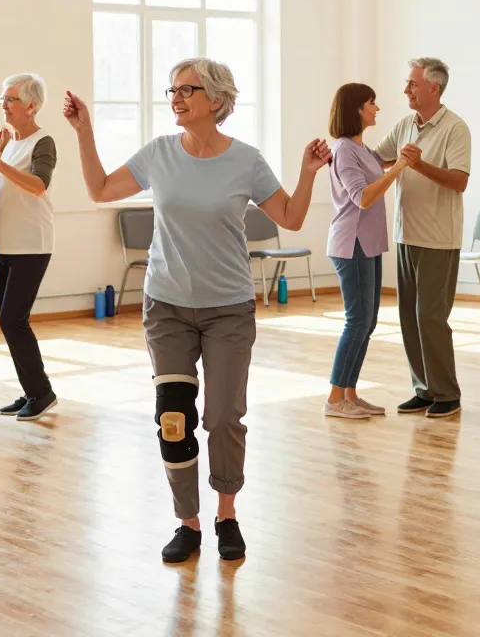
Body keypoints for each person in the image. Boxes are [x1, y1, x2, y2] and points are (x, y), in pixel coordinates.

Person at [63, 57, 330, 563]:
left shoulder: (246, 161)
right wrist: (84, 131)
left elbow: (292, 218)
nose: (176, 97)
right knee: (174, 417)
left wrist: (307, 172)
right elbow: (99, 191)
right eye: (173, 89)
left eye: (187, 89)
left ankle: (226, 513)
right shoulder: (159, 153)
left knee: (224, 417)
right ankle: (187, 522)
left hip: (228, 309)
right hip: (167, 307)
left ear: (217, 100)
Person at [374, 58, 470, 419]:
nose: (406, 90)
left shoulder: (455, 128)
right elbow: (377, 159)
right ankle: (425, 389)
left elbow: (459, 180)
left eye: (413, 84)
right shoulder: (404, 126)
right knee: (409, 317)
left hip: (438, 239)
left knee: (431, 317)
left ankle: (448, 393)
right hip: (406, 235)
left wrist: (417, 165)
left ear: (434, 87)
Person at [324, 83, 412, 419]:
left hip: (369, 243)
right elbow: (363, 196)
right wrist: (399, 168)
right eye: (372, 103)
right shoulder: (344, 148)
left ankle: (349, 392)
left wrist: (398, 163)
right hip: (352, 244)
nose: (377, 108)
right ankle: (334, 399)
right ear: (357, 109)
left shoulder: (362, 149)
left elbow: (377, 172)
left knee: (367, 322)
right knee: (357, 322)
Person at [0, 73, 60, 420]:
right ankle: (31, 390)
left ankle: (41, 392)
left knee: (12, 321)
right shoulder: (10, 142)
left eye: (10, 99)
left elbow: (38, 185)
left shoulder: (43, 141)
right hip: (2, 244)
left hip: (31, 244)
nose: (3, 105)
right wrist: (1, 153)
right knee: (10, 322)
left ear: (31, 105)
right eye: (2, 99)